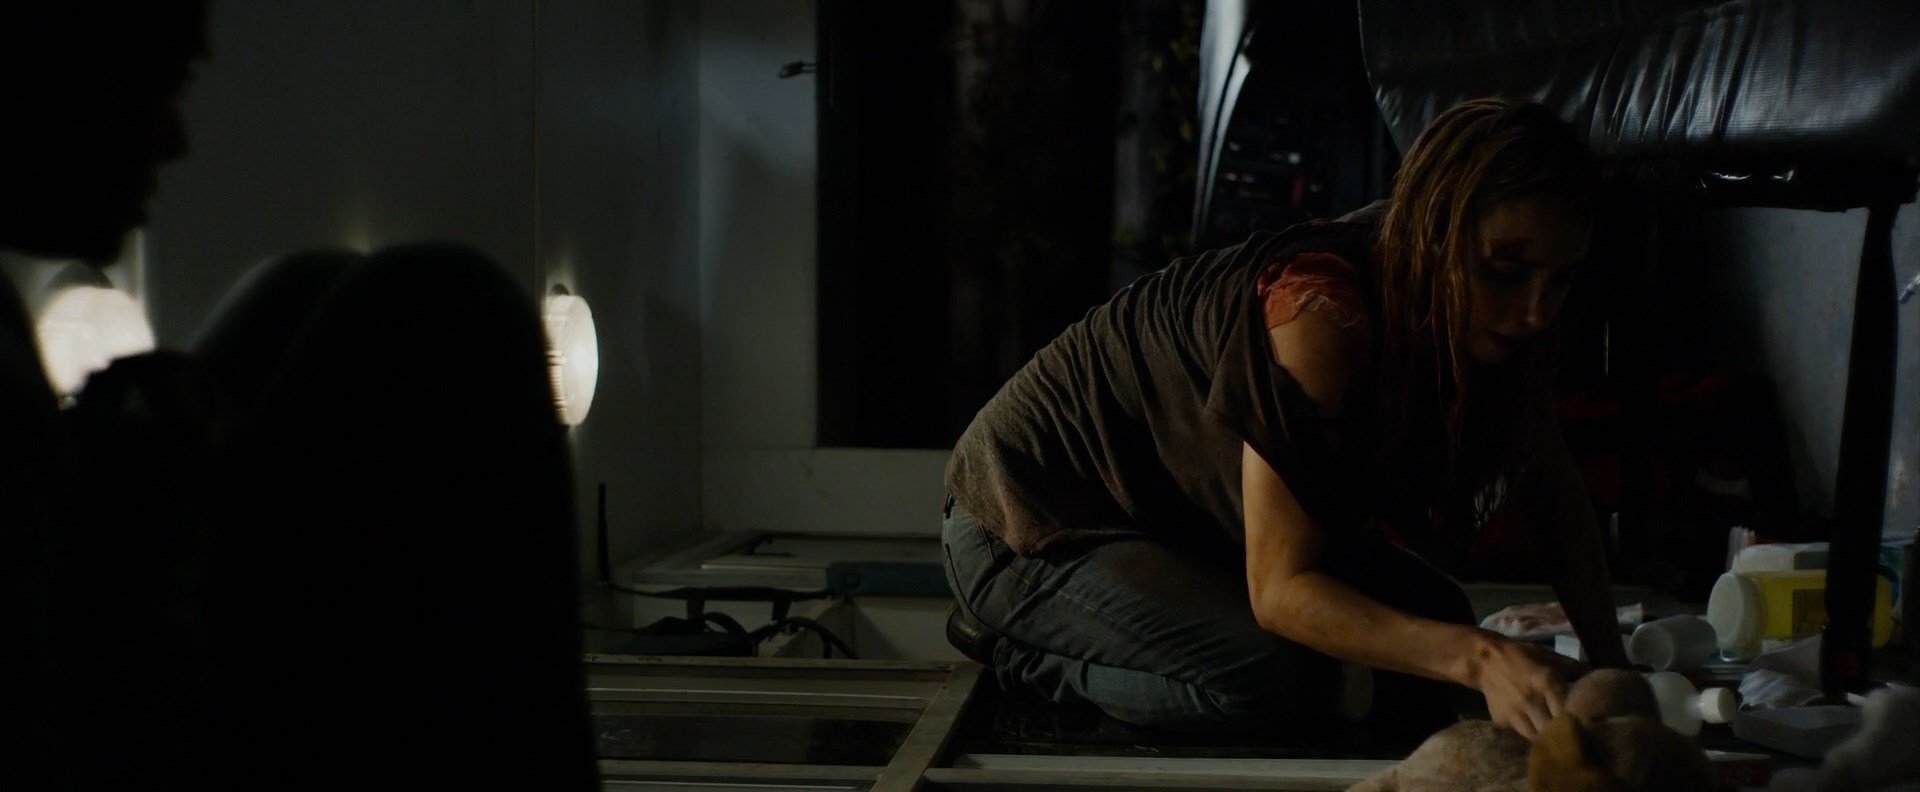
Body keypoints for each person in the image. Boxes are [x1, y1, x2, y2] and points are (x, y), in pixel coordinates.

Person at [941, 97, 1627, 742]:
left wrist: (1613, 667)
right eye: (1505, 272)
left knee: (1435, 619)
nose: (1536, 312)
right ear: (1435, 238)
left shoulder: (1493, 310)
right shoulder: (1318, 317)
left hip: (1181, 526)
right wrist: (1482, 659)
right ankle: (1023, 653)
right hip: (1030, 521)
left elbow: (1551, 492)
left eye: (1560, 280)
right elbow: (1279, 592)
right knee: (1267, 676)